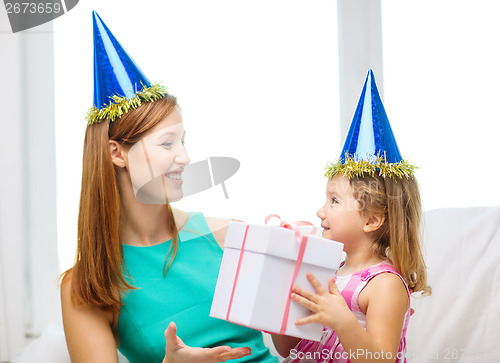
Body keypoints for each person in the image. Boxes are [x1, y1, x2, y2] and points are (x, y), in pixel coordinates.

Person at [60, 11, 278, 363]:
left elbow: (292, 339)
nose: (186, 157)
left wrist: (291, 263)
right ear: (117, 153)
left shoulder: (229, 236)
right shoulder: (87, 284)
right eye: (167, 144)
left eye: (183, 142)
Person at [272, 70, 431, 362]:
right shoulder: (326, 271)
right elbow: (288, 349)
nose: (320, 211)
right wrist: (277, 306)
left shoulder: (384, 284)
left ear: (372, 220)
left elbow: (381, 359)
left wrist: (342, 321)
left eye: (333, 201)